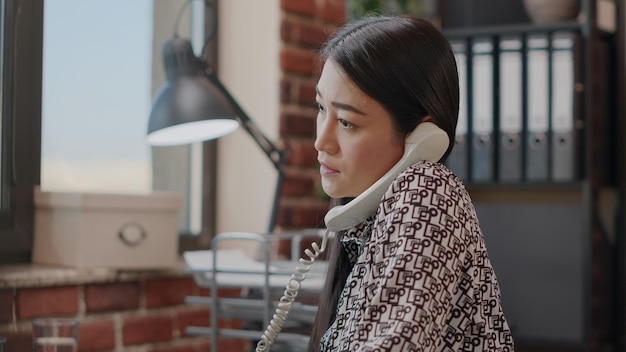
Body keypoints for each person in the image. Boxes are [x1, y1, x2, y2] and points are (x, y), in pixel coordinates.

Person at [307, 15, 514, 351]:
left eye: (346, 122)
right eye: (321, 108)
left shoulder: (426, 193)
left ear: (421, 135)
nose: (321, 141)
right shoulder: (367, 223)